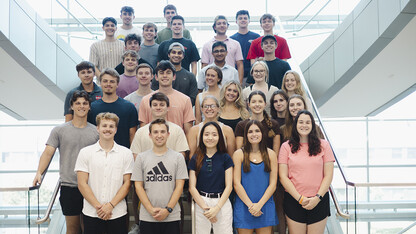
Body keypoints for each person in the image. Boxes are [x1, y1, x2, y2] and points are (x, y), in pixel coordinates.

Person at [33, 91, 99, 234]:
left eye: (85, 103)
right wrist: (39, 172)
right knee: (73, 228)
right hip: (70, 186)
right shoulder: (59, 130)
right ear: (71, 106)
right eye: (78, 103)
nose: (81, 106)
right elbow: (48, 153)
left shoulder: (96, 132)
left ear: (89, 107)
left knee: (91, 229)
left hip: (93, 187)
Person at [129, 93, 189, 234]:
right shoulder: (141, 132)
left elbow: (181, 154)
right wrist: (149, 208)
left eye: (161, 104)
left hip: (170, 185)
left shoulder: (177, 130)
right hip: (148, 183)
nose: (158, 107)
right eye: (155, 104)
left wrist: (168, 208)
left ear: (168, 107)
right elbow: (136, 156)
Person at [75, 112, 133, 234]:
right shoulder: (85, 153)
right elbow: (82, 183)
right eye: (104, 126)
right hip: (92, 213)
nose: (107, 129)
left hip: (117, 213)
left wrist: (110, 206)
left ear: (116, 129)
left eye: (111, 126)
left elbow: (127, 184)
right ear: (98, 128)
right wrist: (99, 208)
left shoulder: (126, 153)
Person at [279, 110, 335, 234]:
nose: (304, 125)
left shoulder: (324, 145)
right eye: (301, 122)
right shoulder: (286, 146)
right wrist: (300, 199)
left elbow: (329, 175)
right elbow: (283, 176)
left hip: (319, 200)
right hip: (294, 200)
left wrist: (317, 197)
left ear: (312, 125)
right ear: (295, 125)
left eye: (308, 122)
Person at [233, 120, 278, 233]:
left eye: (257, 131)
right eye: (250, 132)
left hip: (265, 205)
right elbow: (236, 184)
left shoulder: (271, 154)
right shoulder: (239, 154)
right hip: (244, 206)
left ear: (262, 133)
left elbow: (273, 184)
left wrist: (259, 205)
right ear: (246, 135)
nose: (254, 134)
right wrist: (251, 206)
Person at [188, 121, 234, 234]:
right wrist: (206, 209)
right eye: (206, 134)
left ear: (219, 137)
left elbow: (229, 186)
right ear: (201, 136)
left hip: (221, 202)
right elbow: (192, 188)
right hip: (201, 203)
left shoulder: (226, 158)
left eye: (214, 134)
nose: (210, 138)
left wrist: (217, 208)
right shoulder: (195, 158)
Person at [139, 61, 195, 134]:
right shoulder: (145, 100)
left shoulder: (185, 100)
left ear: (174, 76)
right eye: (161, 73)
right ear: (156, 77)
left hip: (177, 143)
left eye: (168, 73)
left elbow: (189, 132)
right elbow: (143, 130)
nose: (165, 76)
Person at [88, 68, 139, 148]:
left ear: (117, 84)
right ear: (100, 83)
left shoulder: (129, 107)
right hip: (97, 155)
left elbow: (132, 135)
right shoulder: (92, 108)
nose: (108, 84)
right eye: (105, 81)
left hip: (123, 155)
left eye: (112, 81)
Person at [201, 15, 244, 84]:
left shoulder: (235, 44)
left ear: (227, 26)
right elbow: (204, 66)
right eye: (219, 23)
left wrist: (239, 83)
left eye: (224, 23)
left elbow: (240, 65)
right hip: (212, 83)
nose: (222, 25)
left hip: (230, 82)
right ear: (214, 27)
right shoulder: (207, 45)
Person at [230, 10, 260, 87]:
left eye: (245, 18)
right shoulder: (232, 39)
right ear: (236, 21)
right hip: (237, 75)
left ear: (249, 21)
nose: (243, 20)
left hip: (254, 75)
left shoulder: (256, 37)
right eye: (240, 18)